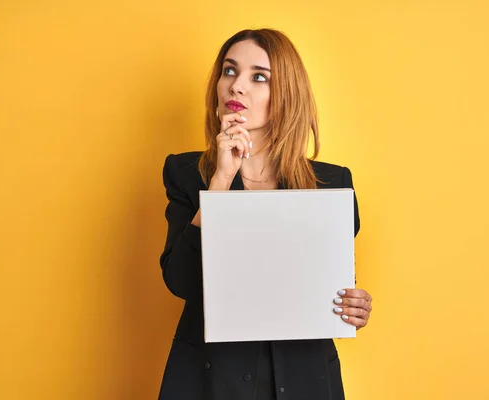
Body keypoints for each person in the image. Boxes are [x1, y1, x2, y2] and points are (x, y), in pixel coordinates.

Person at [158, 28, 373, 400]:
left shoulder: (332, 184)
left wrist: (355, 306)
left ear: (286, 93)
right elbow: (181, 282)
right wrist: (221, 180)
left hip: (305, 379)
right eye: (229, 71)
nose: (236, 86)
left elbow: (330, 290)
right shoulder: (186, 173)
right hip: (210, 380)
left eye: (258, 77)